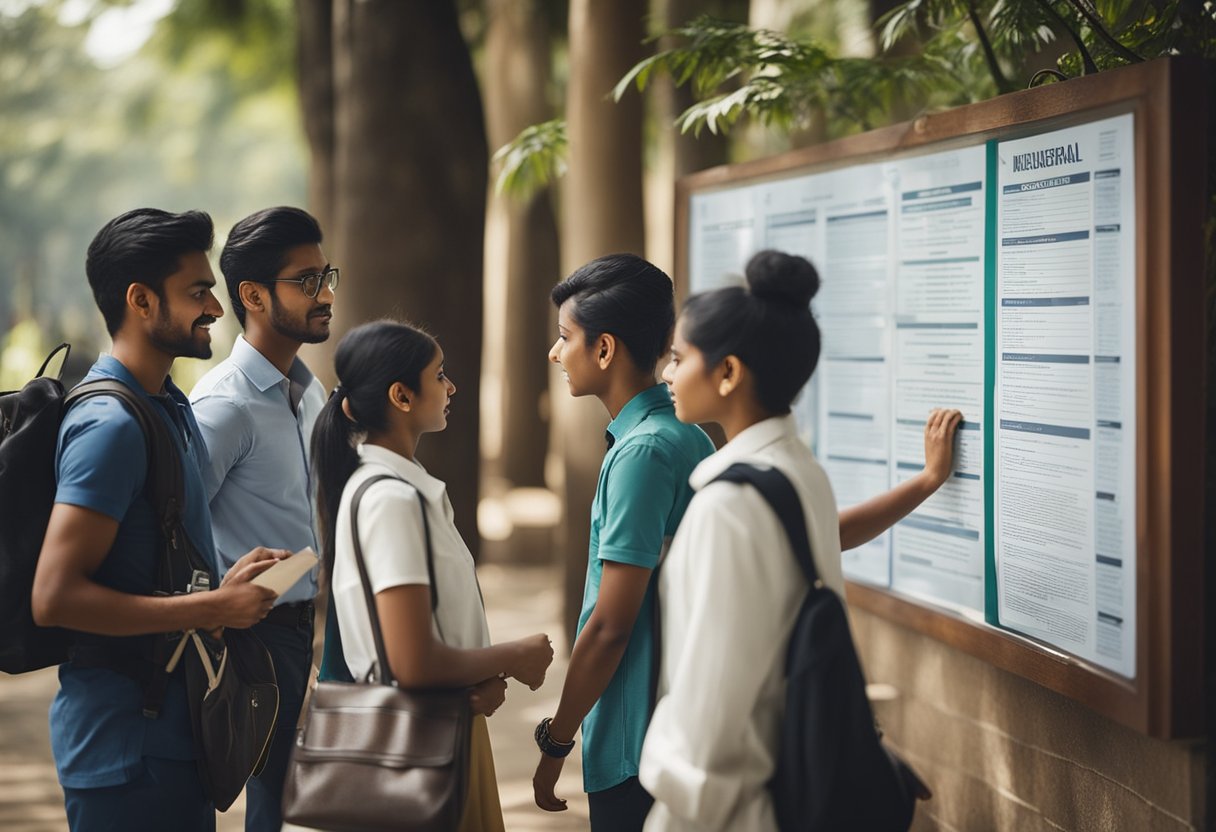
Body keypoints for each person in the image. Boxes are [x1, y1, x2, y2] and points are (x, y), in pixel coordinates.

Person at [31, 208, 289, 832]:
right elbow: (54, 596)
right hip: (125, 755)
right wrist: (211, 611)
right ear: (141, 301)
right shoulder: (111, 427)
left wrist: (223, 593)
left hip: (172, 743)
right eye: (198, 292)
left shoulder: (168, 405)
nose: (217, 309)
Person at [638, 249, 883, 829]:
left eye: (679, 358)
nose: (668, 374)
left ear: (728, 373)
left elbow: (711, 711)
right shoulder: (801, 468)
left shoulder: (730, 505)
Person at [311, 319, 555, 832]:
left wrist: (477, 682)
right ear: (401, 396)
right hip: (418, 748)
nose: (452, 388)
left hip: (438, 728)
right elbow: (412, 662)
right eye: (439, 375)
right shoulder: (391, 500)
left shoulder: (388, 489)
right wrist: (516, 657)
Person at [533, 254, 716, 831]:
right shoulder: (684, 434)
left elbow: (611, 625)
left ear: (605, 349)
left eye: (566, 338)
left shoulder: (641, 453)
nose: (556, 353)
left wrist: (555, 740)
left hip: (638, 739)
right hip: (675, 723)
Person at [188, 206, 336, 832]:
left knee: (286, 795)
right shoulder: (225, 407)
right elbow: (180, 526)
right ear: (252, 295)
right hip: (250, 634)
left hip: (305, 623)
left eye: (326, 275)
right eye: (306, 282)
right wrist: (216, 608)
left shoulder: (309, 392)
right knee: (264, 801)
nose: (326, 294)